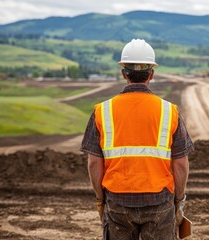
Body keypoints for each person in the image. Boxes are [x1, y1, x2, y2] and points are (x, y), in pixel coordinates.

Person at [80, 39, 194, 240]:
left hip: (117, 201)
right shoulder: (169, 111)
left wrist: (101, 199)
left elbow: (93, 163)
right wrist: (179, 200)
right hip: (160, 200)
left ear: (124, 73)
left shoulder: (102, 111)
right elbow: (181, 164)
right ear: (151, 74)